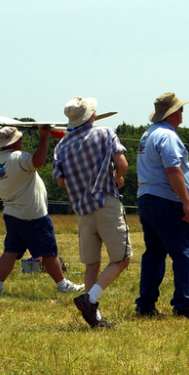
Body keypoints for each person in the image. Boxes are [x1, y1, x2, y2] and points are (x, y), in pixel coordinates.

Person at [52, 96, 131, 328]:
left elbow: (60, 181)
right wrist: (117, 177)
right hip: (106, 203)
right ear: (92, 115)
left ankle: (94, 317)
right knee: (123, 258)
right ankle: (90, 299)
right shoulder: (105, 133)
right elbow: (123, 164)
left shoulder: (62, 146)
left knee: (92, 265)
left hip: (82, 211)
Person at [0, 125, 83, 296]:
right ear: (14, 142)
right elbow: (38, 162)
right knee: (48, 251)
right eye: (20, 139)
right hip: (33, 214)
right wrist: (44, 138)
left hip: (11, 214)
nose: (22, 141)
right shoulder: (19, 157)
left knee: (10, 251)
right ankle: (62, 285)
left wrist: (11, 188)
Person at [135, 93, 189, 319]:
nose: (182, 114)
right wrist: (186, 203)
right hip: (167, 201)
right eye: (180, 110)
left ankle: (145, 305)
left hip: (147, 199)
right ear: (172, 114)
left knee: (154, 254)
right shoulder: (168, 136)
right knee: (185, 253)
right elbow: (173, 170)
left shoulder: (148, 135)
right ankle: (183, 306)